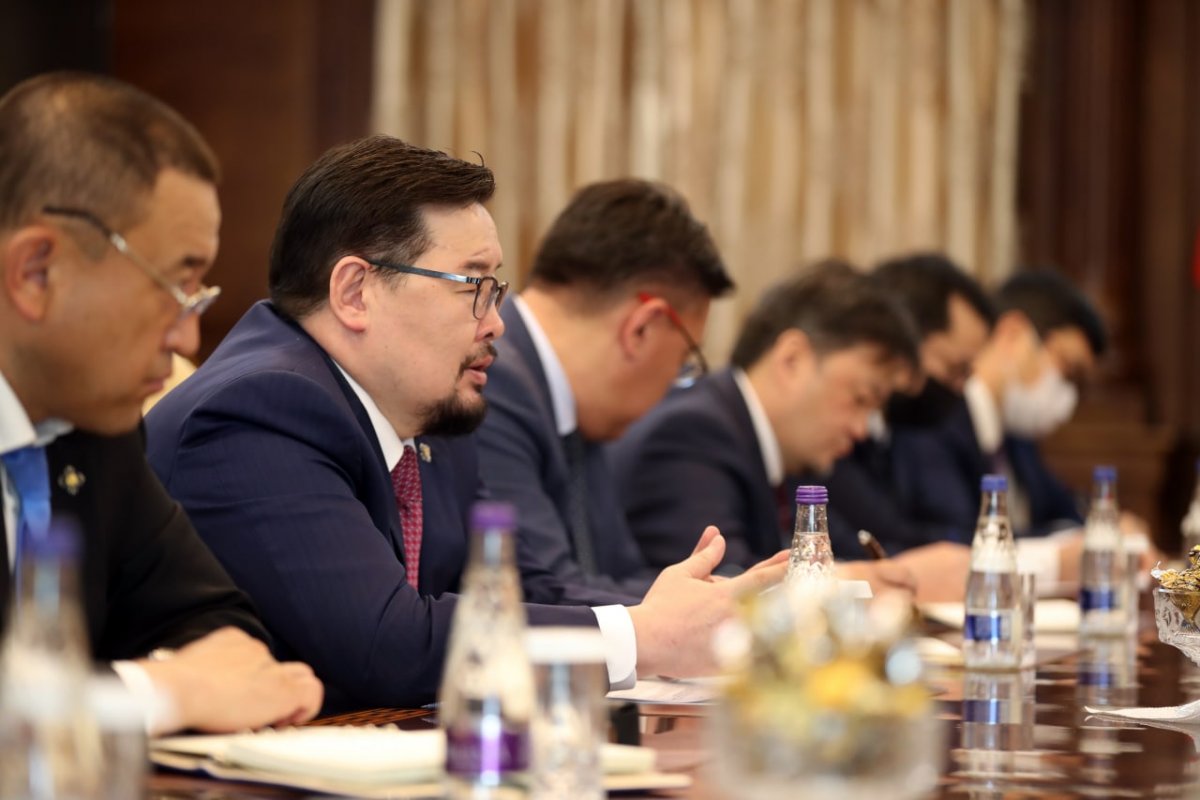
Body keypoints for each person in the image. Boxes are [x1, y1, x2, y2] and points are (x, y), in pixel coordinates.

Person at [145, 135, 787, 712]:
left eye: (495, 290)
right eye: (473, 286)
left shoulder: (430, 416)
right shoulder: (259, 410)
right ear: (355, 292)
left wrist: (689, 610)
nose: (497, 323)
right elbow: (385, 640)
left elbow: (525, 586)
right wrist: (639, 636)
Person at [0, 72, 322, 733]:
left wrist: (187, 682)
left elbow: (218, 632)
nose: (187, 340)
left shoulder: (96, 431)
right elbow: (188, 680)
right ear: (37, 273)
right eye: (175, 288)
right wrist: (151, 695)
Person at [891, 270, 1104, 544]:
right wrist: (1056, 553)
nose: (1067, 395)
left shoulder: (1018, 437)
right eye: (1067, 368)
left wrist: (1102, 524)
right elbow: (957, 536)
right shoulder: (936, 416)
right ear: (1012, 334)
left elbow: (1066, 510)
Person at [825, 253, 995, 554]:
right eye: (954, 368)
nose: (960, 388)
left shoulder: (898, 425)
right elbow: (882, 534)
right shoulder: (835, 424)